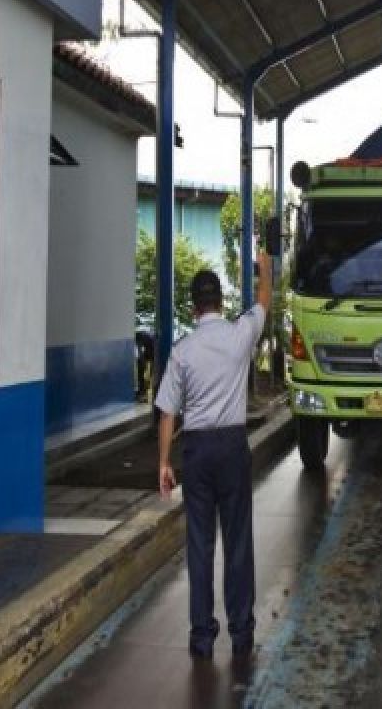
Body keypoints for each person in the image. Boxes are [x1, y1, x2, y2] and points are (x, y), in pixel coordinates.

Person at [155, 251, 273, 660]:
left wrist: (164, 464)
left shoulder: (183, 350)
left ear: (193, 306)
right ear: (220, 301)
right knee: (238, 541)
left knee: (200, 545)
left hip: (198, 451)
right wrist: (265, 266)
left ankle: (202, 636)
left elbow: (167, 411)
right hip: (232, 448)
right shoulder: (240, 334)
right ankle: (242, 633)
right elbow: (263, 300)